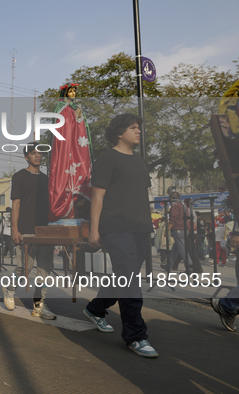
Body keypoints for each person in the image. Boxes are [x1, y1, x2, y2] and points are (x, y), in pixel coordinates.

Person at [84, 113, 158, 358]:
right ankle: (136, 335)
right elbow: (97, 197)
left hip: (140, 228)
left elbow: (140, 197)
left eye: (139, 127)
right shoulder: (106, 160)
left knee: (124, 277)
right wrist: (94, 230)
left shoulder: (140, 162)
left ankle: (96, 308)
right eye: (133, 127)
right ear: (119, 133)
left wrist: (150, 224)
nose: (138, 131)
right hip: (115, 227)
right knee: (129, 280)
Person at [2, 142, 56, 319]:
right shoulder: (19, 177)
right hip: (26, 229)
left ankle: (39, 305)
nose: (37, 156)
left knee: (45, 270)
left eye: (40, 153)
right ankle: (10, 289)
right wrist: (15, 229)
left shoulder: (46, 179)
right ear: (26, 157)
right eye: (33, 153)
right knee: (24, 268)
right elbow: (15, 204)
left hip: (45, 230)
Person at [48, 83, 93, 222]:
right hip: (64, 142)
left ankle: (79, 206)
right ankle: (64, 207)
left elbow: (82, 127)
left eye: (74, 91)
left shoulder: (77, 108)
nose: (73, 93)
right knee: (63, 168)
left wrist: (78, 117)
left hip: (77, 143)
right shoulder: (60, 107)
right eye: (71, 90)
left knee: (81, 167)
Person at [167, 191, 193, 273]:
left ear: (171, 198)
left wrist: (167, 229)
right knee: (176, 249)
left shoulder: (175, 205)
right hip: (184, 229)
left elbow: (173, 219)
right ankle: (169, 264)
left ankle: (190, 266)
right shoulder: (183, 205)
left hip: (178, 229)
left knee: (181, 249)